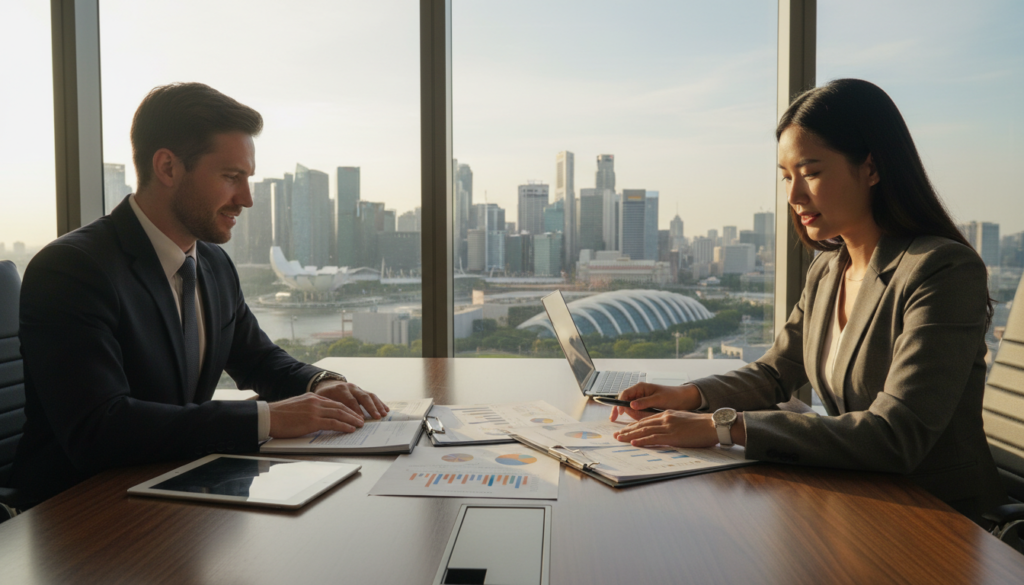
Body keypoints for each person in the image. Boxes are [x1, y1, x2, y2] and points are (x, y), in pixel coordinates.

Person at [609, 79, 1005, 520]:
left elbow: (897, 435)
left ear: (872, 168)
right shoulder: (828, 269)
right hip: (856, 499)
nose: (794, 196)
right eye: (786, 177)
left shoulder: (942, 270)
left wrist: (723, 427)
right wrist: (688, 396)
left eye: (811, 173)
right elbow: (775, 371)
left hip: (937, 517)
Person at [10, 83, 388, 504]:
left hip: (177, 486)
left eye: (248, 180)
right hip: (79, 512)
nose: (245, 199)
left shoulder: (211, 263)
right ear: (168, 168)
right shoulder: (72, 270)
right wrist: (265, 418)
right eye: (231, 177)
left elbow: (258, 358)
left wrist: (320, 383)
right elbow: (100, 428)